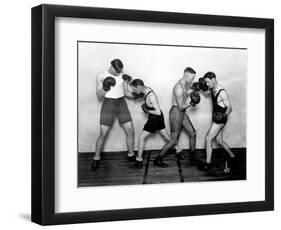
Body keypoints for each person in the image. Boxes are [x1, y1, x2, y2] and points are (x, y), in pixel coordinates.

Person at [126, 79, 184, 168]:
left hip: (155, 118)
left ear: (139, 87)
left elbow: (157, 112)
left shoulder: (151, 96)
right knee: (166, 136)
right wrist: (126, 83)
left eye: (135, 89)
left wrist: (147, 110)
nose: (134, 91)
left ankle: (139, 161)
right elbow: (136, 93)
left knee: (141, 137)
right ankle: (179, 151)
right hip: (157, 118)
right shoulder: (146, 89)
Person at [91, 59, 135, 171]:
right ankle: (96, 158)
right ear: (112, 67)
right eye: (117, 71)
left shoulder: (122, 76)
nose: (119, 73)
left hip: (121, 103)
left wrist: (136, 95)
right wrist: (105, 87)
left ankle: (131, 154)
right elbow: (99, 95)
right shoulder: (101, 75)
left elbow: (127, 93)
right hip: (108, 104)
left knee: (130, 130)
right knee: (103, 133)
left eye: (120, 71)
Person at [154, 67, 199, 168]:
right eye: (192, 78)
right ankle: (158, 159)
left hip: (182, 113)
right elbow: (180, 106)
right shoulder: (178, 88)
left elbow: (184, 95)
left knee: (193, 133)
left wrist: (193, 90)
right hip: (176, 113)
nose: (192, 80)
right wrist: (191, 103)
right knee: (174, 141)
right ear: (187, 76)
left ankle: (193, 156)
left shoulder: (184, 84)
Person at [198, 72, 235, 170]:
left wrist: (223, 116)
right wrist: (200, 87)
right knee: (219, 141)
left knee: (208, 138)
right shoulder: (212, 88)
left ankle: (208, 164)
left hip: (220, 120)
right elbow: (206, 93)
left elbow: (230, 108)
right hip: (216, 118)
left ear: (213, 79)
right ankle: (232, 156)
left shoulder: (222, 92)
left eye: (207, 82)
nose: (207, 84)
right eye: (205, 82)